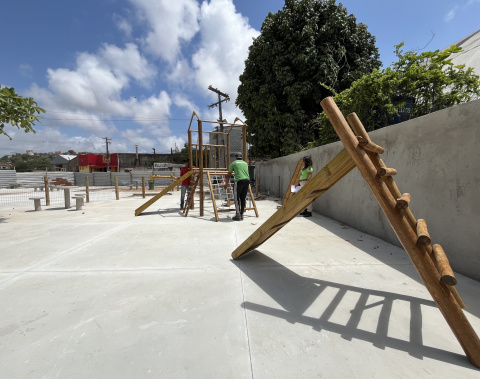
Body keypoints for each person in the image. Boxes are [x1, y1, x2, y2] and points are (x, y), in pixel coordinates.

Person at [224, 152, 250, 221]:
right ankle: (241, 214)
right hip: (247, 181)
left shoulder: (234, 163)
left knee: (236, 198)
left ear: (236, 157)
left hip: (239, 181)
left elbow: (229, 174)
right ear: (241, 157)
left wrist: (226, 184)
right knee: (243, 198)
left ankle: (238, 215)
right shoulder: (245, 163)